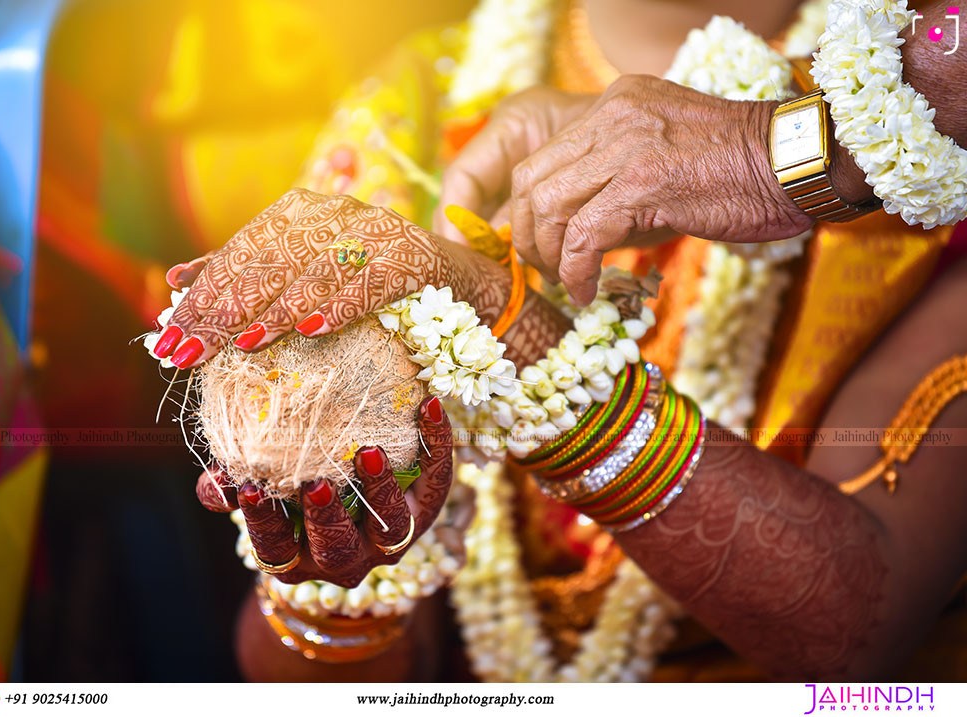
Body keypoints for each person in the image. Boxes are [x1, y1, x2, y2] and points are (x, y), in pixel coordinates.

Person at [151, 0, 967, 681]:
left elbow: (857, 635)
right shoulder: (416, 108)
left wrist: (516, 336)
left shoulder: (927, 129)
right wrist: (339, 568)